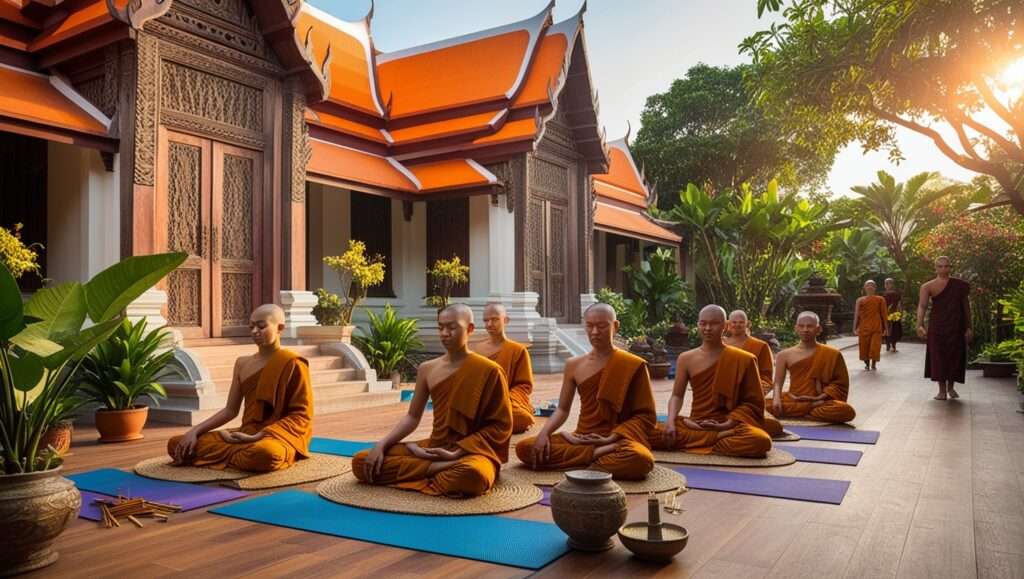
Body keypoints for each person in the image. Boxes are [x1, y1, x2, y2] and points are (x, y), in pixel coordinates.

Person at [352, 304, 512, 497]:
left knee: (473, 475)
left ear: (469, 329)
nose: (445, 333)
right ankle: (437, 469)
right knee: (362, 461)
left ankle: (433, 469)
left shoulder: (489, 370)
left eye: (452, 327)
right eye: (440, 327)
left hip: (470, 452)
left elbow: (501, 426)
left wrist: (458, 453)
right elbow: (412, 417)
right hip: (435, 447)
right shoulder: (427, 369)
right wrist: (382, 444)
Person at [515, 304, 655, 480]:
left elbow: (645, 416)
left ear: (615, 326)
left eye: (602, 326)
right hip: (580, 438)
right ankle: (596, 455)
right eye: (590, 326)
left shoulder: (633, 364)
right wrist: (544, 434)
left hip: (617, 439)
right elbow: (562, 410)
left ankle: (586, 458)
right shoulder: (574, 365)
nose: (595, 331)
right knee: (525, 448)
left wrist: (611, 438)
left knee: (640, 459)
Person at [168, 304, 312, 473]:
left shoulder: (293, 363)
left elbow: (302, 415)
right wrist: (194, 431)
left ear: (280, 328)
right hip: (244, 433)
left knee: (266, 454)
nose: (254, 331)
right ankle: (240, 454)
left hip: (274, 436)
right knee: (177, 444)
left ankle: (235, 454)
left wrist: (259, 436)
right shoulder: (242, 363)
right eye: (251, 327)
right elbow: (230, 410)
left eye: (261, 326)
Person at [650, 305, 772, 458]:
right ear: (697, 325)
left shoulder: (744, 359)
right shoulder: (686, 358)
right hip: (695, 423)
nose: (707, 328)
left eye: (714, 323)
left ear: (725, 326)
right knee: (645, 432)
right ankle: (715, 440)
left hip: (728, 424)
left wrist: (727, 424)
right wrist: (671, 421)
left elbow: (753, 403)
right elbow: (677, 396)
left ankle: (707, 439)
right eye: (703, 323)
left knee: (760, 441)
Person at [770, 311, 856, 424]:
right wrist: (776, 399)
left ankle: (802, 410)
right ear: (796, 328)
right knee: (760, 407)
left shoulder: (832, 354)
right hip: (794, 399)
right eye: (801, 326)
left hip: (821, 401)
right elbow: (777, 383)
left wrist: (819, 398)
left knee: (846, 411)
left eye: (810, 326)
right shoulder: (784, 355)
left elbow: (840, 384)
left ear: (818, 329)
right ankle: (808, 410)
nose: (805, 329)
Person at [474, 303, 535, 433]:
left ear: (505, 320)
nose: (489, 324)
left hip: (507, 401)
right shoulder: (478, 349)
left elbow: (524, 386)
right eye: (486, 320)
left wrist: (503, 400)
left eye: (494, 319)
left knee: (520, 417)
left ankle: (488, 423)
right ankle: (494, 423)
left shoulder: (518, 350)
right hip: (481, 402)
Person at [917, 256, 972, 401]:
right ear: (935, 268)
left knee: (955, 356)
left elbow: (966, 307)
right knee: (938, 357)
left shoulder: (959, 285)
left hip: (956, 325)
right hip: (937, 326)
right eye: (940, 266)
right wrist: (919, 325)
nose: (943, 269)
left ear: (950, 267)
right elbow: (922, 306)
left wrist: (969, 327)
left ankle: (951, 387)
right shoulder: (927, 286)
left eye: (946, 266)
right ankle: (941, 390)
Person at [724, 309, 785, 438]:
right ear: (728, 324)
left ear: (748, 324)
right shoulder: (720, 345)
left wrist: (750, 394)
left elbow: (766, 380)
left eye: (741, 322)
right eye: (734, 322)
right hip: (723, 398)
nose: (737, 325)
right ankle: (732, 425)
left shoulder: (760, 346)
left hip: (748, 400)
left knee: (774, 426)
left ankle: (730, 425)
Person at [854, 280, 888, 370]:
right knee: (864, 346)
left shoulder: (880, 299)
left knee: (875, 347)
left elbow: (884, 314)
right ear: (864, 287)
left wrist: (886, 329)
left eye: (872, 285)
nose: (870, 286)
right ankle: (867, 364)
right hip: (864, 327)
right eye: (868, 285)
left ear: (875, 288)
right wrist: (854, 328)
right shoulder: (860, 300)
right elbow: (856, 314)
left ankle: (873, 364)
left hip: (876, 326)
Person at [883, 278, 903, 353]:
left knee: (895, 330)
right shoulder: (883, 294)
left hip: (894, 314)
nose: (888, 285)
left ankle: (893, 345)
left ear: (893, 284)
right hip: (885, 314)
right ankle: (888, 345)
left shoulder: (897, 294)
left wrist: (900, 313)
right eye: (886, 283)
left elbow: (899, 304)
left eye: (889, 283)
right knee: (886, 329)